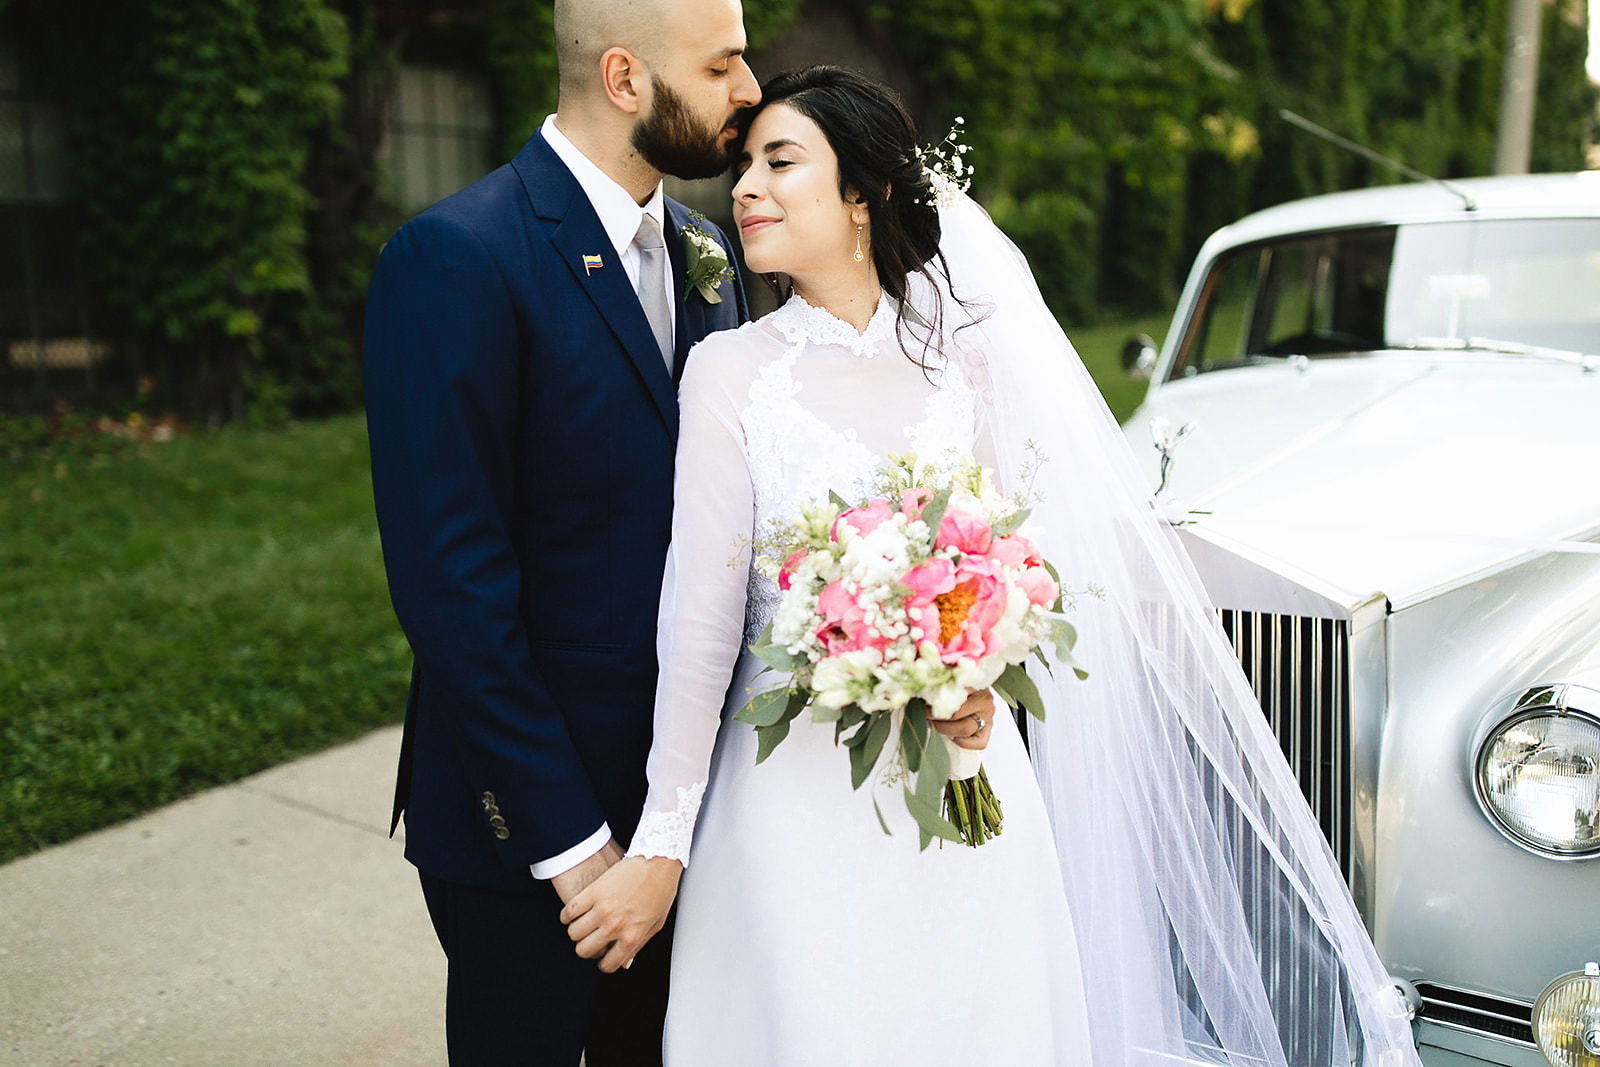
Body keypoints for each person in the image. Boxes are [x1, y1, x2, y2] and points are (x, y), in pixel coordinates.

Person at [562, 66, 1425, 1067]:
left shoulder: (961, 365)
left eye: (780, 161)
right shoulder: (732, 372)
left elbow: (1027, 565)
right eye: (743, 165)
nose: (744, 186)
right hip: (787, 810)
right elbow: (700, 620)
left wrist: (979, 675)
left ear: (863, 195)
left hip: (966, 797)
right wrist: (663, 838)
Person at [360, 1, 766, 1062]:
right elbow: (452, 586)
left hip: (685, 817)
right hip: (534, 833)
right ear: (626, 79)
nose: (751, 90)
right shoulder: (454, 256)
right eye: (722, 65)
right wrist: (571, 846)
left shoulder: (704, 250)